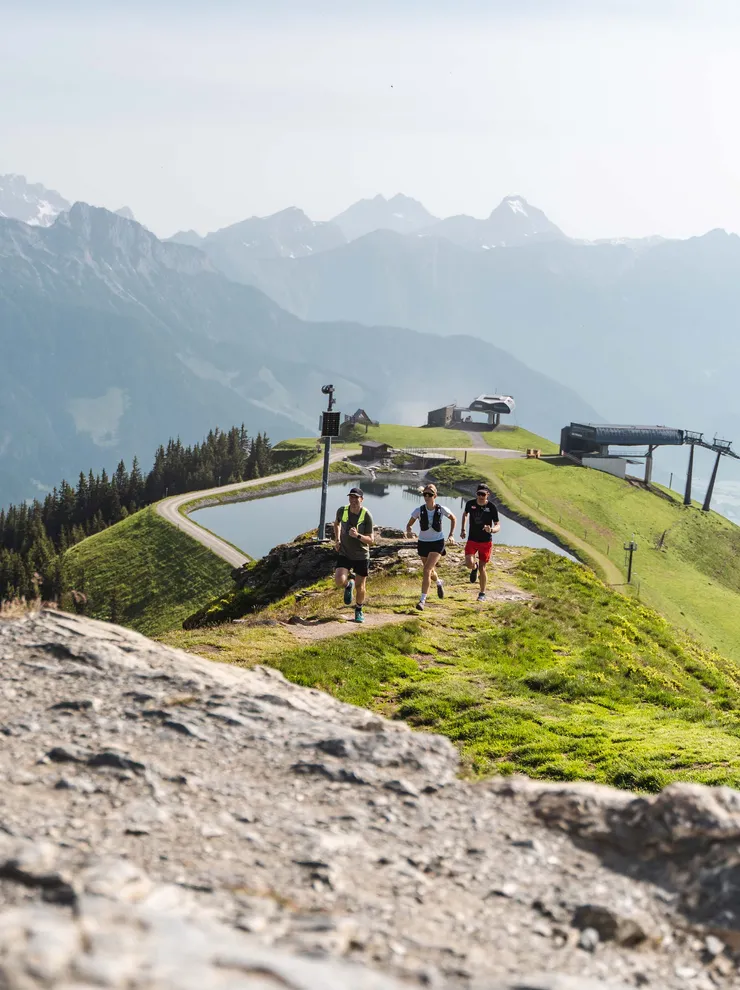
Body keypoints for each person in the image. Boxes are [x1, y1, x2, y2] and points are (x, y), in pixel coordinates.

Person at [405, 483, 456, 610]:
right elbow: (409, 525)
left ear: (435, 496)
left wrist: (451, 535)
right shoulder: (419, 510)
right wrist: (409, 531)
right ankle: (439, 582)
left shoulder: (441, 509)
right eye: (425, 494)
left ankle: (422, 601)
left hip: (437, 542)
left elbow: (453, 519)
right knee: (430, 571)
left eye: (430, 495)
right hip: (423, 543)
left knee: (427, 570)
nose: (427, 497)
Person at [333, 487, 374, 623]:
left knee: (360, 586)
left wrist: (357, 536)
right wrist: (337, 540)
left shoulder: (366, 515)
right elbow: (336, 524)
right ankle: (347, 585)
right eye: (351, 497)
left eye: (356, 497)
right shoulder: (342, 510)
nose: (353, 500)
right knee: (339, 580)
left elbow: (371, 541)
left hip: (361, 555)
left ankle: (358, 609)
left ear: (361, 499)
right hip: (345, 552)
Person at [460, 484, 500, 602]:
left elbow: (498, 525)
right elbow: (465, 514)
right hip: (472, 539)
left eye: (483, 494)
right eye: (479, 494)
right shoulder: (470, 504)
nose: (481, 496)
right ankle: (474, 567)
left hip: (486, 541)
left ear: (488, 494)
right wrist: (463, 529)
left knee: (483, 568)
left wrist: (492, 530)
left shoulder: (492, 507)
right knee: (468, 563)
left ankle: (482, 593)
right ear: (476, 493)